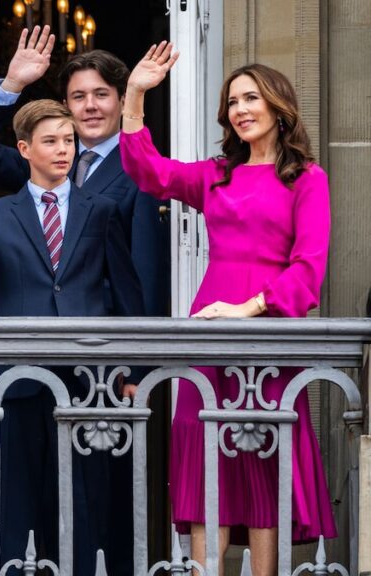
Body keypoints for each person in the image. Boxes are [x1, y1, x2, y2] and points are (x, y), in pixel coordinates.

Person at [120, 43, 335, 576]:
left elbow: (309, 268)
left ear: (278, 106)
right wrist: (135, 94)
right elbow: (149, 172)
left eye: (250, 98)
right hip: (210, 330)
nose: (240, 109)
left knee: (261, 458)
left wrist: (249, 308)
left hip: (268, 332)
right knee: (205, 459)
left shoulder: (306, 178)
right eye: (232, 102)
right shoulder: (217, 175)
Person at [0, 27, 168, 572]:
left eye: (102, 94)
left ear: (120, 100)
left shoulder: (140, 167)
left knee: (93, 504)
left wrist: (136, 366)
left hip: (97, 365)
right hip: (25, 367)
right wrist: (11, 84)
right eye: (78, 96)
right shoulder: (39, 164)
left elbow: (140, 278)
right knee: (21, 499)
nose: (90, 106)